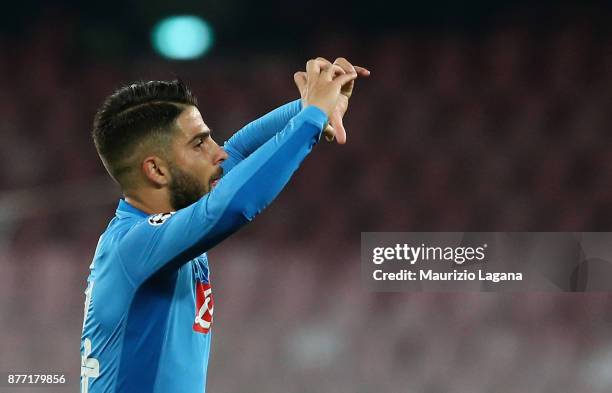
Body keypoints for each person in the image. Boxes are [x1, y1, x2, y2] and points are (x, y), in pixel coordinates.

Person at [80, 57, 369, 393]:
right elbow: (230, 206)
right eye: (200, 143)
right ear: (156, 171)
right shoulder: (134, 245)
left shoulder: (164, 224)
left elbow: (240, 150)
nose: (218, 153)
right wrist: (311, 117)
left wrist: (311, 105)